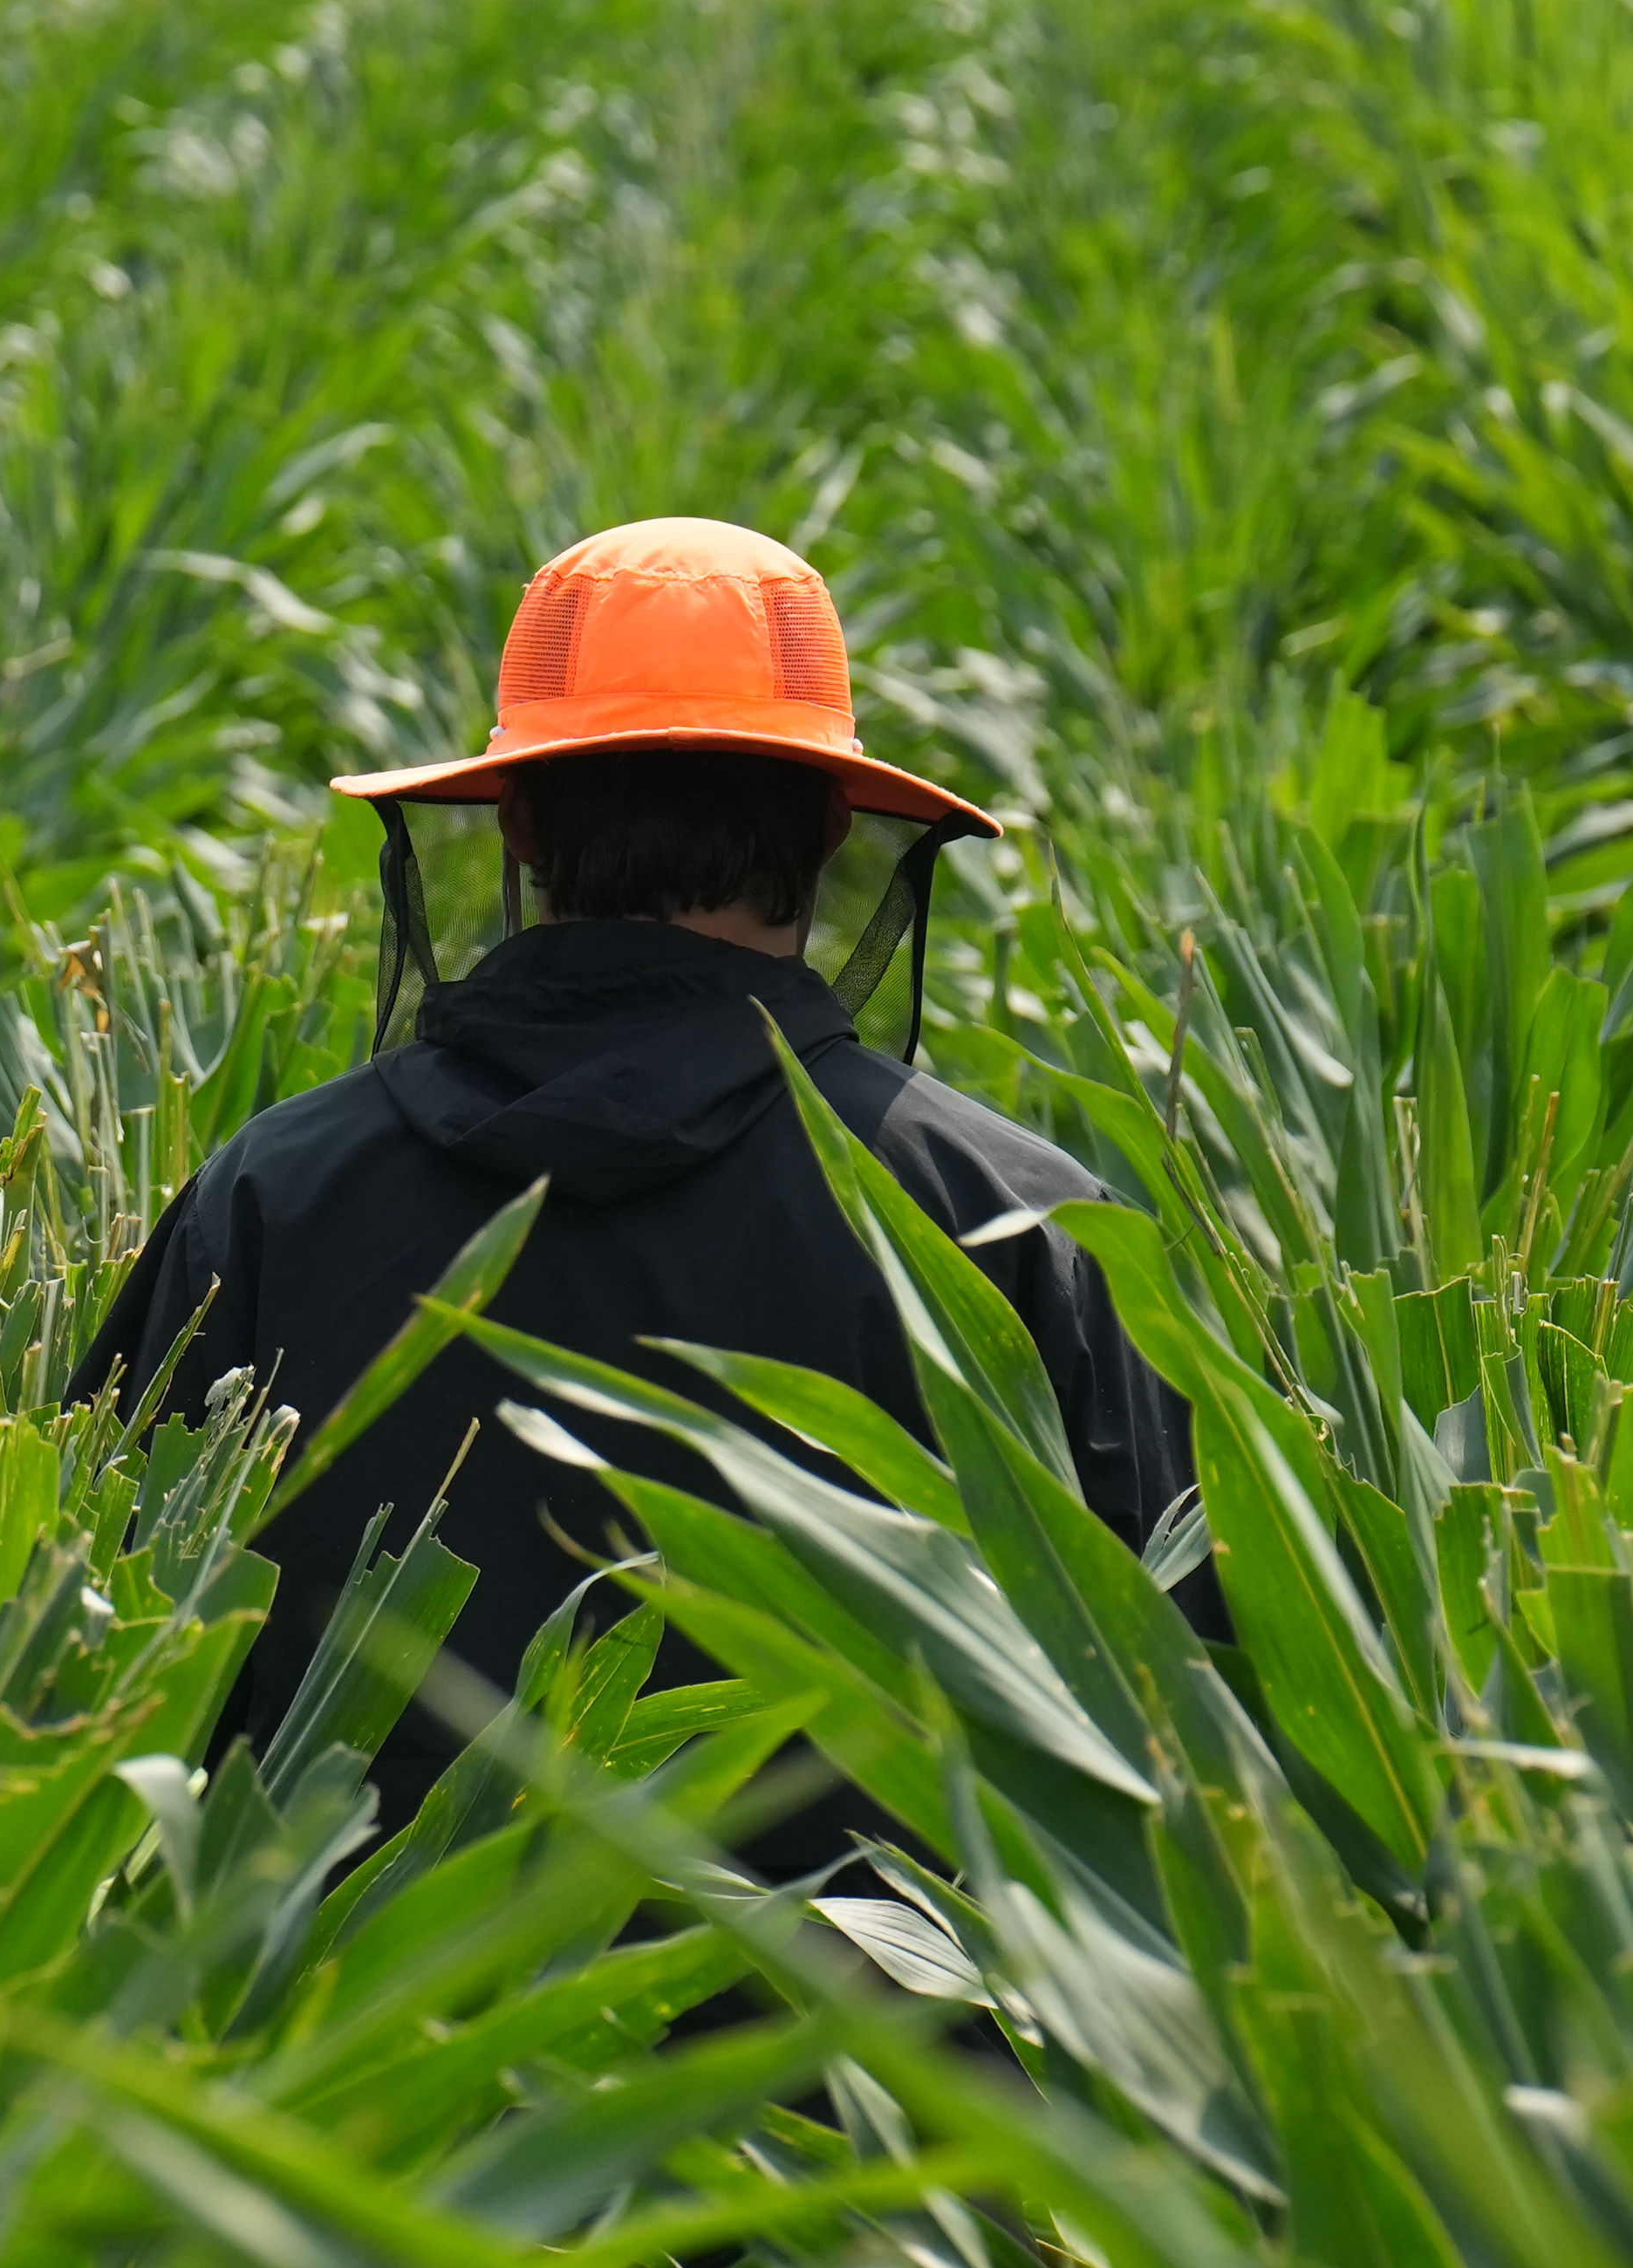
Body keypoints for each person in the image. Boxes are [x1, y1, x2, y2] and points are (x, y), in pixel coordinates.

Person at [72, 515, 1190, 1855]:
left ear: (523, 826)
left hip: (360, 2049)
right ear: (838, 826)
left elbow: (107, 1666)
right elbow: (1184, 1718)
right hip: (888, 2054)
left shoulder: (270, 1198)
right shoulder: (1018, 1223)